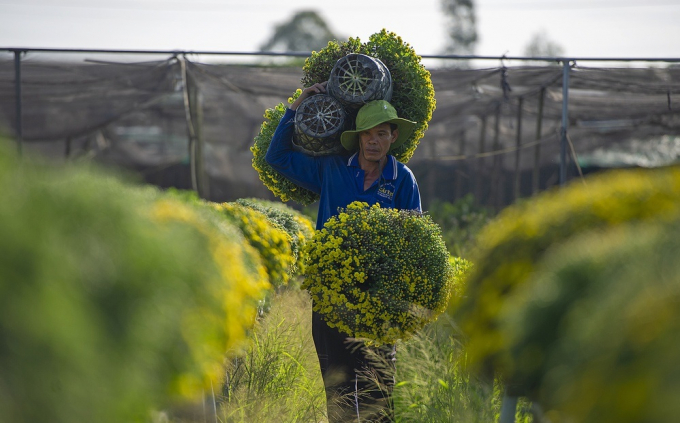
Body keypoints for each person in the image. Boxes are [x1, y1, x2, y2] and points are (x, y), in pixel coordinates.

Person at [265, 81, 422, 422]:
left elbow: (414, 238)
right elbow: (275, 157)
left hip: (376, 303)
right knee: (337, 394)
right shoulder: (332, 168)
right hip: (330, 297)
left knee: (376, 395)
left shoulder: (402, 179)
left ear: (393, 137)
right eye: (367, 134)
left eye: (382, 133)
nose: (374, 141)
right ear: (358, 137)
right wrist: (297, 104)